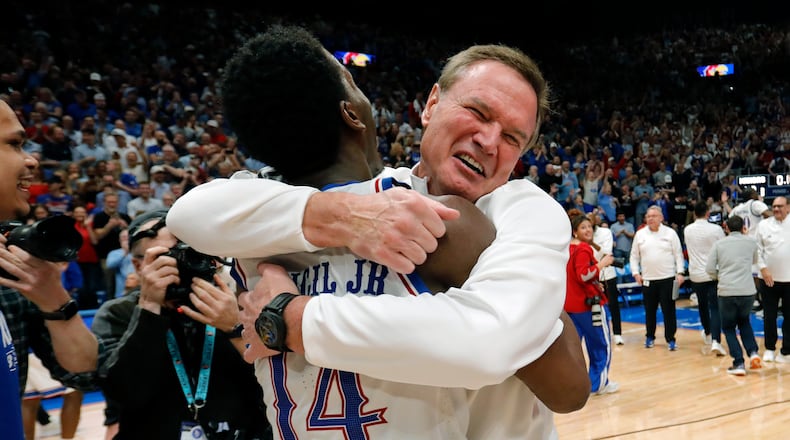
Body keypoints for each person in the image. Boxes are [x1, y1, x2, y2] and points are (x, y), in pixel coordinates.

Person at [169, 26, 588, 438]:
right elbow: (186, 214)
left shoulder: (521, 208)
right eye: (478, 112)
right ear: (431, 105)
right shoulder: (401, 211)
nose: (490, 141)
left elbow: (563, 383)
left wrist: (288, 319)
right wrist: (342, 215)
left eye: (514, 138)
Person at [90, 209, 272, 439]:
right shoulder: (118, 313)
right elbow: (125, 394)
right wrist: (149, 308)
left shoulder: (239, 301)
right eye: (169, 257)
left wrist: (235, 328)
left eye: (189, 253)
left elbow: (273, 386)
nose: (182, 264)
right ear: (139, 267)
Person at [0, 99, 104, 440]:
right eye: (14, 144)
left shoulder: (14, 265)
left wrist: (53, 297)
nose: (31, 160)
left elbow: (85, 373)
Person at [565, 211, 618, 393]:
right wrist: (602, 264)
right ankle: (599, 384)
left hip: (571, 307)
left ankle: (575, 385)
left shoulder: (566, 248)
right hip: (588, 306)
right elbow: (583, 275)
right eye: (583, 227)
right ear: (574, 231)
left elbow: (576, 276)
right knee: (600, 345)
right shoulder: (583, 249)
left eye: (589, 226)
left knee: (574, 350)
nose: (588, 230)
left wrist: (595, 283)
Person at [705, 215, 763, 375]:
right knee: (744, 322)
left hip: (727, 291)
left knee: (729, 327)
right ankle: (753, 353)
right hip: (748, 291)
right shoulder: (751, 242)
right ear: (743, 227)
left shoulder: (719, 244)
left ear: (727, 228)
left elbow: (709, 268)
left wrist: (720, 276)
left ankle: (738, 363)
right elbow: (754, 261)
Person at [629, 205, 686, 350]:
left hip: (667, 278)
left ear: (661, 218)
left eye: (654, 216)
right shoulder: (640, 234)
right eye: (648, 216)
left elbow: (678, 255)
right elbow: (634, 256)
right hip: (648, 279)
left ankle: (670, 339)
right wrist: (636, 273)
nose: (650, 219)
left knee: (669, 311)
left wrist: (680, 272)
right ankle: (649, 337)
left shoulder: (670, 233)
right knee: (649, 311)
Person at [683, 200, 726, 356]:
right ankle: (716, 340)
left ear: (695, 214)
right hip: (713, 273)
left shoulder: (687, 230)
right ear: (708, 213)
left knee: (702, 305)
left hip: (696, 274)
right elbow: (722, 250)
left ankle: (708, 334)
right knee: (715, 307)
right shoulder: (716, 229)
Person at [755, 196, 790, 363]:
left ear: (788, 207)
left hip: (789, 280)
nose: (776, 209)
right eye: (774, 206)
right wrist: (763, 269)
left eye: (780, 206)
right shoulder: (763, 225)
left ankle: (786, 351)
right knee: (769, 315)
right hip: (768, 279)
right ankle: (769, 348)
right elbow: (757, 250)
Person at [22, 351, 84, 440]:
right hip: (42, 350)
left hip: (18, 351)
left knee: (29, 401)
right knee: (73, 393)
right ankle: (68, 438)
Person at [589, 211, 624, 345]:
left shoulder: (605, 232)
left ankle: (617, 334)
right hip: (592, 274)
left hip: (608, 274)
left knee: (614, 305)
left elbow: (606, 252)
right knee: (594, 307)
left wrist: (591, 242)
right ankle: (598, 337)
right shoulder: (582, 237)